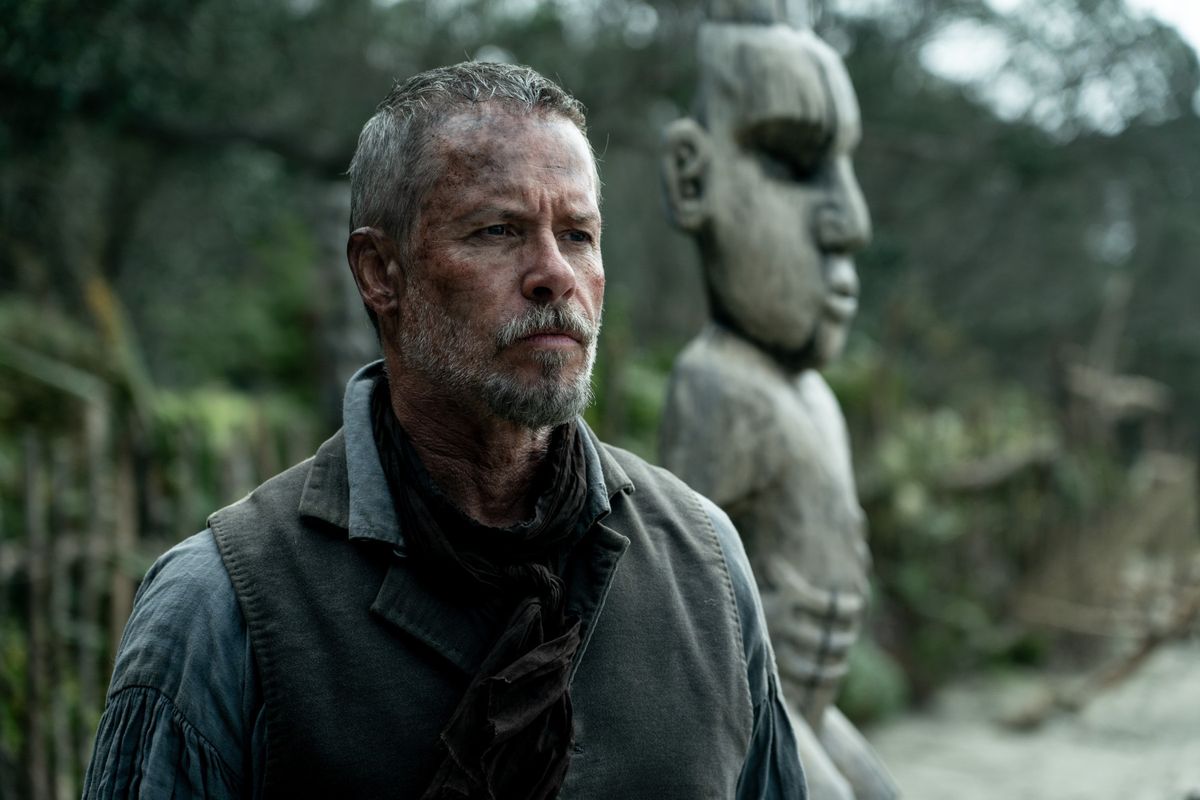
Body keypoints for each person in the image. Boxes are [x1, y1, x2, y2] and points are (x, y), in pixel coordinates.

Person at [82, 61, 806, 799]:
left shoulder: (706, 564)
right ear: (380, 273)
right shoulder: (223, 601)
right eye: (498, 230)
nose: (554, 273)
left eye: (579, 234)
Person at [658, 12, 898, 800]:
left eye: (846, 168)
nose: (851, 223)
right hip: (753, 718)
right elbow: (678, 632)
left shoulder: (814, 396)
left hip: (816, 712)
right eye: (795, 162)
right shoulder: (712, 384)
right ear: (692, 177)